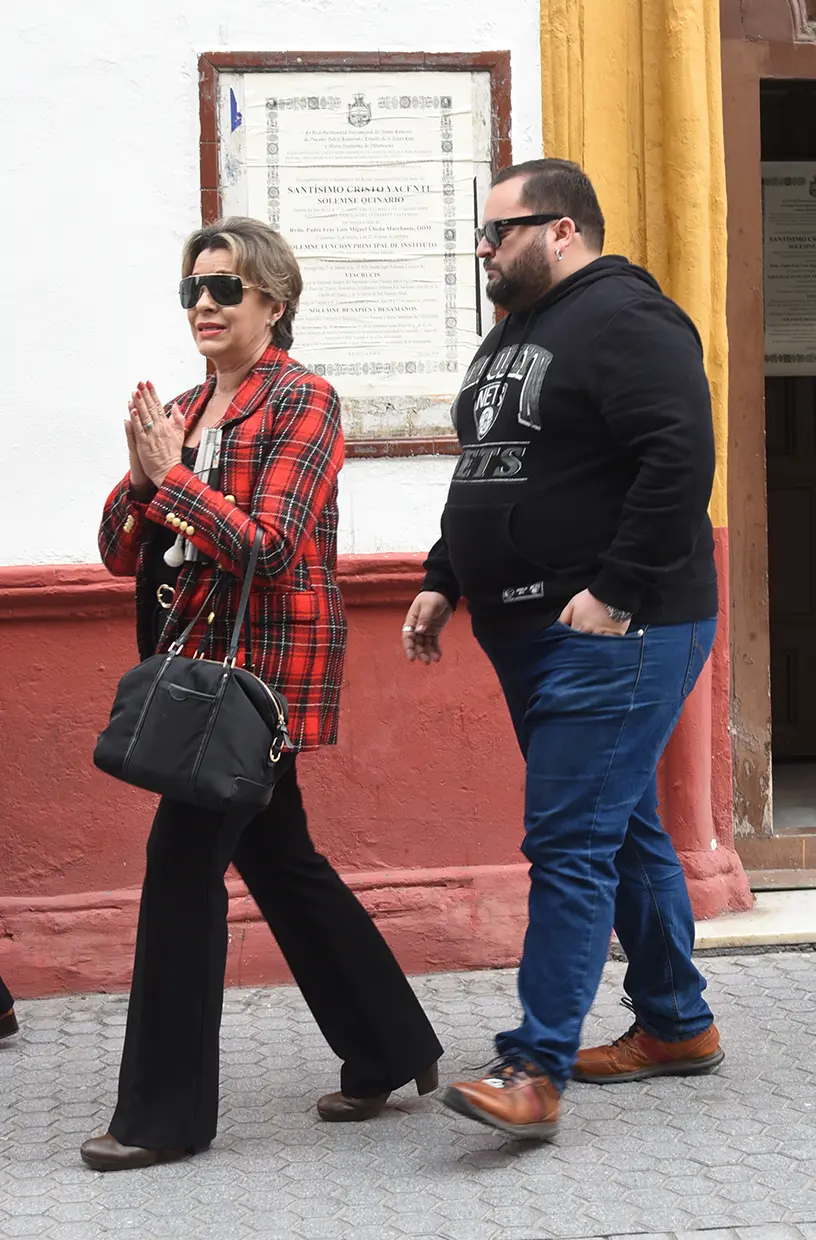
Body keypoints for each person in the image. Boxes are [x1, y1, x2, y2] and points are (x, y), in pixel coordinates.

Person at [82, 217, 442, 1172]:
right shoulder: (192, 409)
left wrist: (175, 481)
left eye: (223, 289)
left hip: (259, 682)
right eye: (192, 290)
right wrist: (143, 474)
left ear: (272, 303)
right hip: (193, 669)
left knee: (180, 866)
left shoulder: (304, 401)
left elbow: (273, 549)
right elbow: (123, 551)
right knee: (284, 860)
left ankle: (162, 1118)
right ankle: (389, 1048)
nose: (202, 304)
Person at [402, 159, 723, 1141]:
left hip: (621, 626)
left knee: (570, 841)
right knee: (618, 826)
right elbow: (487, 473)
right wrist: (440, 576)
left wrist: (616, 591)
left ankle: (533, 1066)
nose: (485, 250)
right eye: (482, 234)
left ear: (566, 229)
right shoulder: (512, 337)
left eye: (500, 232)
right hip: (529, 629)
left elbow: (681, 458)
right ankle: (676, 1022)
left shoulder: (631, 320)